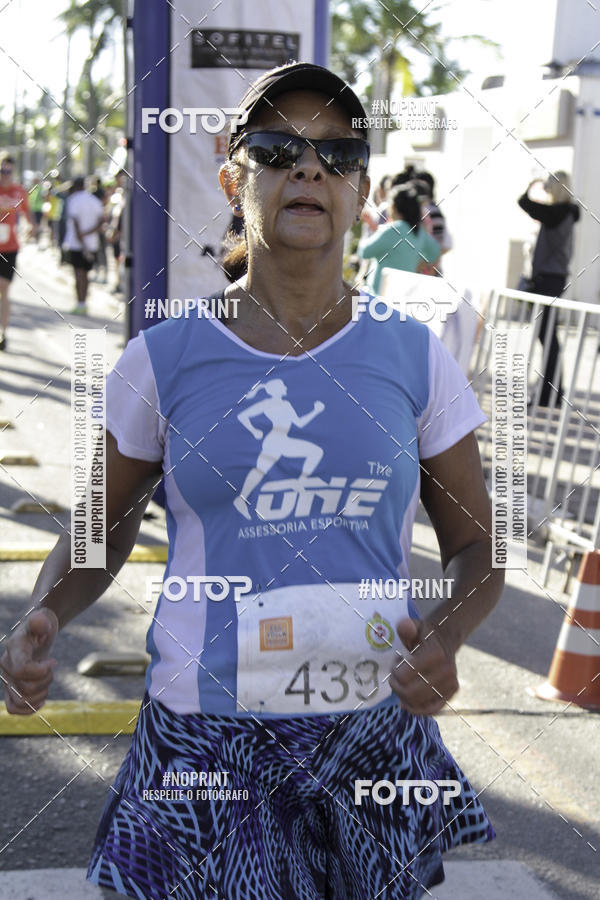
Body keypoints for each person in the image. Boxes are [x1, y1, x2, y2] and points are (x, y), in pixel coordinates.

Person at [1, 62, 503, 900]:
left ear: (362, 192)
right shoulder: (160, 359)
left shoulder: (417, 356)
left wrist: (445, 637)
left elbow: (478, 547)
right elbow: (102, 528)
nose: (310, 170)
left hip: (367, 742)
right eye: (280, 149)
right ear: (236, 180)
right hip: (203, 744)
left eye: (338, 155)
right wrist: (46, 610)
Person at [518, 172, 579, 406]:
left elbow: (524, 203)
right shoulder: (563, 213)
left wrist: (531, 184)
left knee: (548, 334)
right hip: (552, 278)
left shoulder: (557, 213)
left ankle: (550, 393)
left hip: (549, 280)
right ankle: (551, 392)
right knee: (547, 334)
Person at [358, 182, 441, 294]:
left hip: (377, 294)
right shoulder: (420, 232)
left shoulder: (391, 229)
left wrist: (366, 236)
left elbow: (364, 252)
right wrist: (417, 265)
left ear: (393, 207)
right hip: (403, 295)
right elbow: (435, 252)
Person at [0, 155, 36, 350]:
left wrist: (32, 226)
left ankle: (3, 333)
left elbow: (27, 211)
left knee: (4, 289)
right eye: (2, 171)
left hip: (10, 247)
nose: (5, 176)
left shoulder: (19, 191)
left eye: (8, 172)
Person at [62, 175, 104, 314]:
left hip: (76, 244)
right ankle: (83, 303)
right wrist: (88, 235)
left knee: (78, 274)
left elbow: (75, 222)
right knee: (86, 274)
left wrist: (82, 237)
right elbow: (100, 221)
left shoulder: (73, 200)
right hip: (91, 243)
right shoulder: (94, 200)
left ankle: (80, 303)